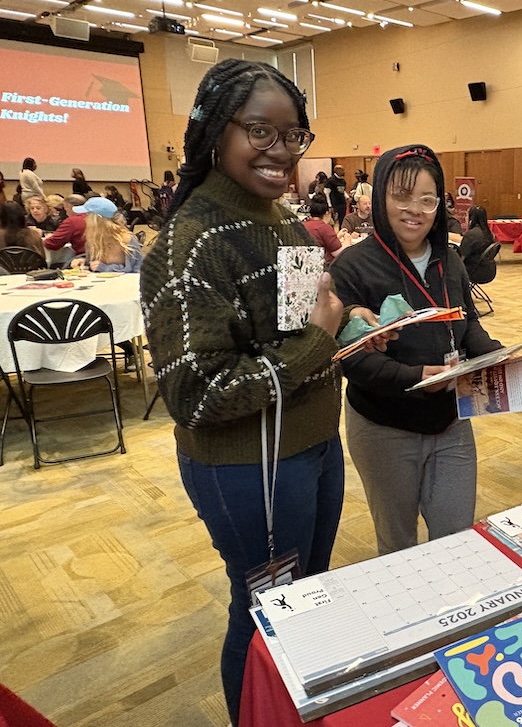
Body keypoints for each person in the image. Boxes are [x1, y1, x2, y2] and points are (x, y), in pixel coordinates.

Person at [140, 58, 378, 726]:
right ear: (216, 131)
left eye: (293, 134)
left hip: (312, 446)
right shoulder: (188, 243)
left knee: (303, 597)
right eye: (259, 131)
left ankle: (293, 710)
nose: (281, 150)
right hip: (248, 466)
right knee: (262, 612)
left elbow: (300, 325)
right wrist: (316, 342)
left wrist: (349, 328)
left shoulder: (280, 219)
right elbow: (196, 394)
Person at [331, 143, 503, 555]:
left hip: (451, 420)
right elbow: (354, 358)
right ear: (379, 199)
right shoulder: (353, 266)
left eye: (427, 200)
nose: (416, 211)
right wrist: (412, 379)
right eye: (401, 197)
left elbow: (468, 324)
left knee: (456, 536)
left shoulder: (449, 258)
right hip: (384, 426)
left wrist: (497, 356)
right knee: (399, 544)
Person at [70, 197, 143, 273]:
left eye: (87, 215)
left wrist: (106, 268)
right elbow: (93, 265)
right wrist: (83, 261)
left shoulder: (127, 239)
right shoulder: (93, 239)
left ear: (96, 220)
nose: (85, 219)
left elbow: (138, 270)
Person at [302, 199, 347, 264]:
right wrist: (347, 240)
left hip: (305, 263)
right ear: (327, 213)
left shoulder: (303, 224)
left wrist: (337, 236)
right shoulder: (324, 227)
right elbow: (338, 253)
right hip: (323, 265)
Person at [44, 194, 87, 260]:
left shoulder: (72, 221)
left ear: (68, 206)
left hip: (83, 258)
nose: (66, 213)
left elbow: (53, 243)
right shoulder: (95, 218)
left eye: (65, 209)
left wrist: (41, 240)